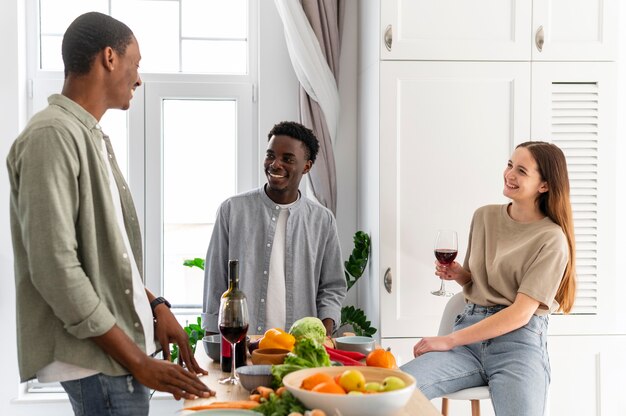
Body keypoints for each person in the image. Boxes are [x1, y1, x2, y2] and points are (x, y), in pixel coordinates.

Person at [7, 12, 212, 416]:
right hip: (97, 362)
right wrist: (139, 362)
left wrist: (155, 304)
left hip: (111, 361)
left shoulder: (90, 135)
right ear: (109, 58)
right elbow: (55, 269)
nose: (139, 79)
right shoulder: (52, 134)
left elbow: (106, 257)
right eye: (136, 64)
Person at [400, 141, 576, 416]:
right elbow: (478, 281)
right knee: (395, 392)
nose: (509, 174)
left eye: (521, 170)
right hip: (468, 338)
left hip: (517, 346)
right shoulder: (484, 216)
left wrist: (448, 340)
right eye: (509, 165)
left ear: (544, 185)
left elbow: (520, 314)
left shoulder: (552, 239)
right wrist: (459, 275)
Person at [202, 121, 346, 337]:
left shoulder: (322, 220)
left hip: (300, 348)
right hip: (242, 345)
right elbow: (216, 281)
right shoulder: (232, 211)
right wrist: (215, 339)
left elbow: (332, 287)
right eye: (270, 155)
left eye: (287, 159)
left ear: (306, 166)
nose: (275, 164)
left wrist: (323, 335)